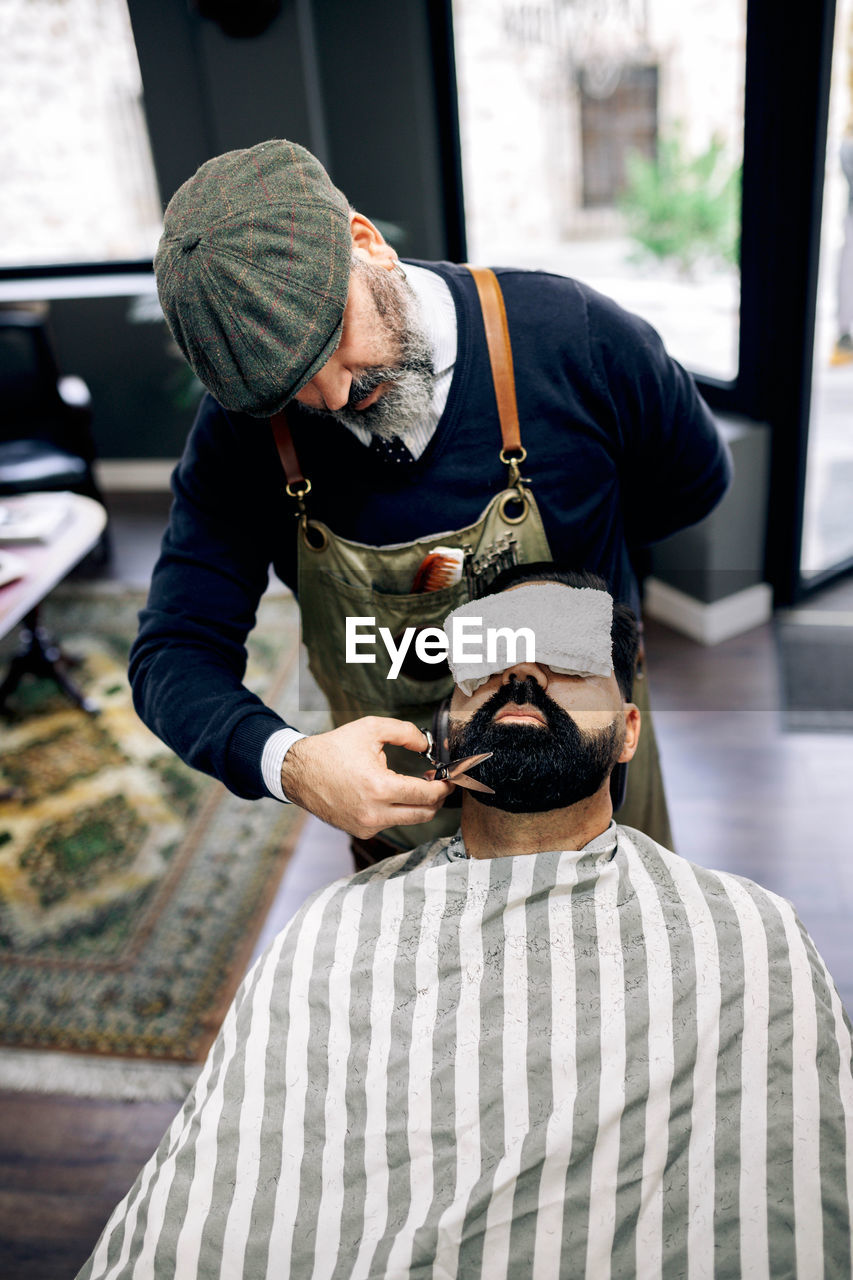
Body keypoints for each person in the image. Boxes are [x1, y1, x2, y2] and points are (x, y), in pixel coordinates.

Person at [79, 570, 853, 1279]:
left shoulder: (749, 934)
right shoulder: (332, 929)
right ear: (445, 727)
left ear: (626, 731)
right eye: (486, 666)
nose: (520, 675)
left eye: (566, 658)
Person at [130, 137, 732, 857]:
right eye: (289, 388)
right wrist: (290, 763)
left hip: (589, 794)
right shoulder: (241, 437)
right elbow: (175, 650)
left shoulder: (573, 337)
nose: (332, 395)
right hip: (408, 825)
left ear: (366, 242)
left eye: (333, 335)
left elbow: (689, 486)